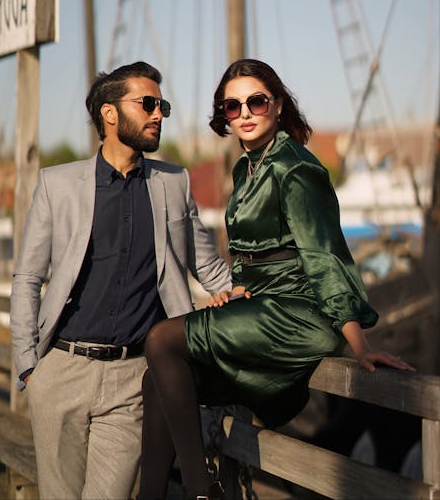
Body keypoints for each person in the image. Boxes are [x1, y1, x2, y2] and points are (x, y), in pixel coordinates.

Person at [137, 58, 415, 500]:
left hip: (300, 315)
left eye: (256, 101)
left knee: (161, 340)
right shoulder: (245, 170)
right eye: (233, 106)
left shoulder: (295, 168)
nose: (244, 113)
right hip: (262, 307)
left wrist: (359, 344)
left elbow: (323, 256)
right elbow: (255, 253)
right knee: (158, 380)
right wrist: (236, 289)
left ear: (278, 105)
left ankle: (198, 491)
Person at [10, 61, 231, 500]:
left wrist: (253, 298)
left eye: (161, 106)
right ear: (110, 114)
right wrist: (29, 368)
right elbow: (28, 277)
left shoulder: (174, 182)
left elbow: (208, 267)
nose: (158, 115)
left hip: (133, 378)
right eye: (147, 104)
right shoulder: (58, 184)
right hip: (62, 372)